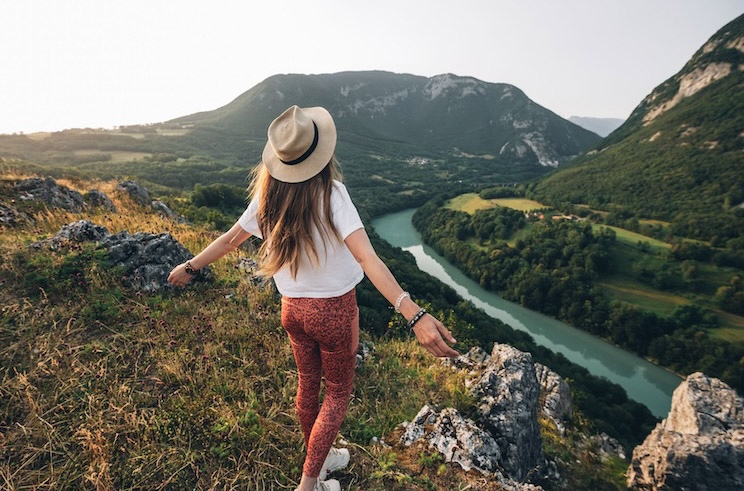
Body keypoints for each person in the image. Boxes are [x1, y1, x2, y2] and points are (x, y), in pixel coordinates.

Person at [168, 105, 459, 491]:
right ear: (321, 154)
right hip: (335, 311)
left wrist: (191, 266)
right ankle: (309, 484)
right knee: (337, 393)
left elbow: (228, 240)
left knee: (308, 384)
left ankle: (318, 462)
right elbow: (365, 257)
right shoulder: (332, 194)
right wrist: (413, 313)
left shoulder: (267, 197)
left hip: (292, 310)